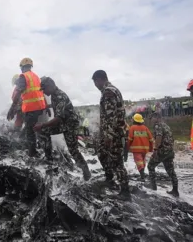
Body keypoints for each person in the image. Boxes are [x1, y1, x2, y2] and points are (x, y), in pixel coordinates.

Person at [33, 77, 91, 181]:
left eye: (44, 89)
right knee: (43, 132)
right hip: (63, 123)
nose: (44, 92)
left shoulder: (60, 96)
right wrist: (47, 107)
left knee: (73, 150)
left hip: (70, 125)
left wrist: (43, 125)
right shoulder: (54, 95)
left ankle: (86, 172)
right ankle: (49, 161)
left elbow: (58, 118)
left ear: (50, 86)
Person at [92, 70, 131, 199]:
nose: (96, 85)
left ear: (100, 79)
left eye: (95, 82)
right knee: (101, 152)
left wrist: (108, 135)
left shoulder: (108, 92)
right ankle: (109, 179)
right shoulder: (111, 90)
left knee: (117, 162)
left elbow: (111, 116)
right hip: (110, 132)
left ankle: (125, 191)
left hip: (113, 133)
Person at [7, 58, 51, 157]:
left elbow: (18, 92)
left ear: (22, 67)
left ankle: (32, 153)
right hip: (40, 108)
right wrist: (46, 106)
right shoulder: (35, 77)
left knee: (30, 132)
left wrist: (12, 108)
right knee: (40, 131)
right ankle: (48, 154)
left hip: (31, 109)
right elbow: (40, 92)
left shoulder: (23, 77)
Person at [146, 112, 179, 197]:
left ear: (157, 118)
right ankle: (175, 190)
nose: (151, 120)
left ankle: (153, 187)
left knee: (150, 166)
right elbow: (171, 138)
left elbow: (159, 137)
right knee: (170, 170)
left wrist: (156, 149)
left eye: (152, 118)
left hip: (162, 150)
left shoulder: (158, 125)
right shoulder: (166, 126)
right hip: (169, 151)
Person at [127, 113, 153, 181]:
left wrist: (127, 147)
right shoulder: (145, 128)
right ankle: (142, 175)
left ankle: (142, 176)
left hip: (136, 149)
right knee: (143, 161)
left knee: (139, 162)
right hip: (145, 149)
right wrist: (151, 148)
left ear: (134, 120)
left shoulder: (132, 127)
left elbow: (129, 139)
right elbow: (151, 139)